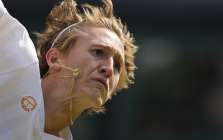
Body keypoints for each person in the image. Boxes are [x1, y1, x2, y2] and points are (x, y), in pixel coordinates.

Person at [0, 0, 137, 139]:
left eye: (117, 66)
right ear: (54, 59)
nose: (109, 68)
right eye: (98, 52)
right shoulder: (16, 59)